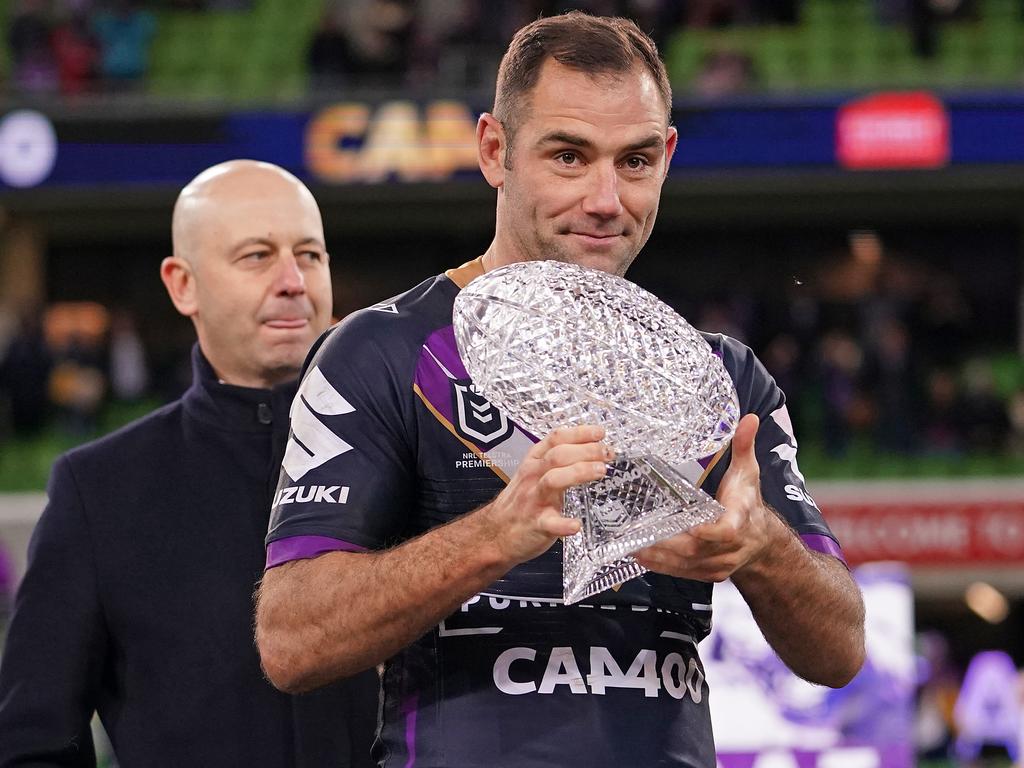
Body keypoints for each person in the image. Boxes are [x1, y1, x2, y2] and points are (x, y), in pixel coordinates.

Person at [256, 14, 865, 768]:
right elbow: (290, 639)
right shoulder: (382, 352)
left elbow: (840, 651)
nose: (606, 199)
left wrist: (761, 548)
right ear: (493, 150)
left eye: (636, 161)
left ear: (667, 157)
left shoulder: (721, 379)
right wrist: (497, 533)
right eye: (569, 157)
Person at [0, 160, 378, 767]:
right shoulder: (99, 490)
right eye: (256, 256)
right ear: (183, 285)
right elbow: (32, 742)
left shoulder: (417, 457)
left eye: (309, 255)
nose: (292, 281)